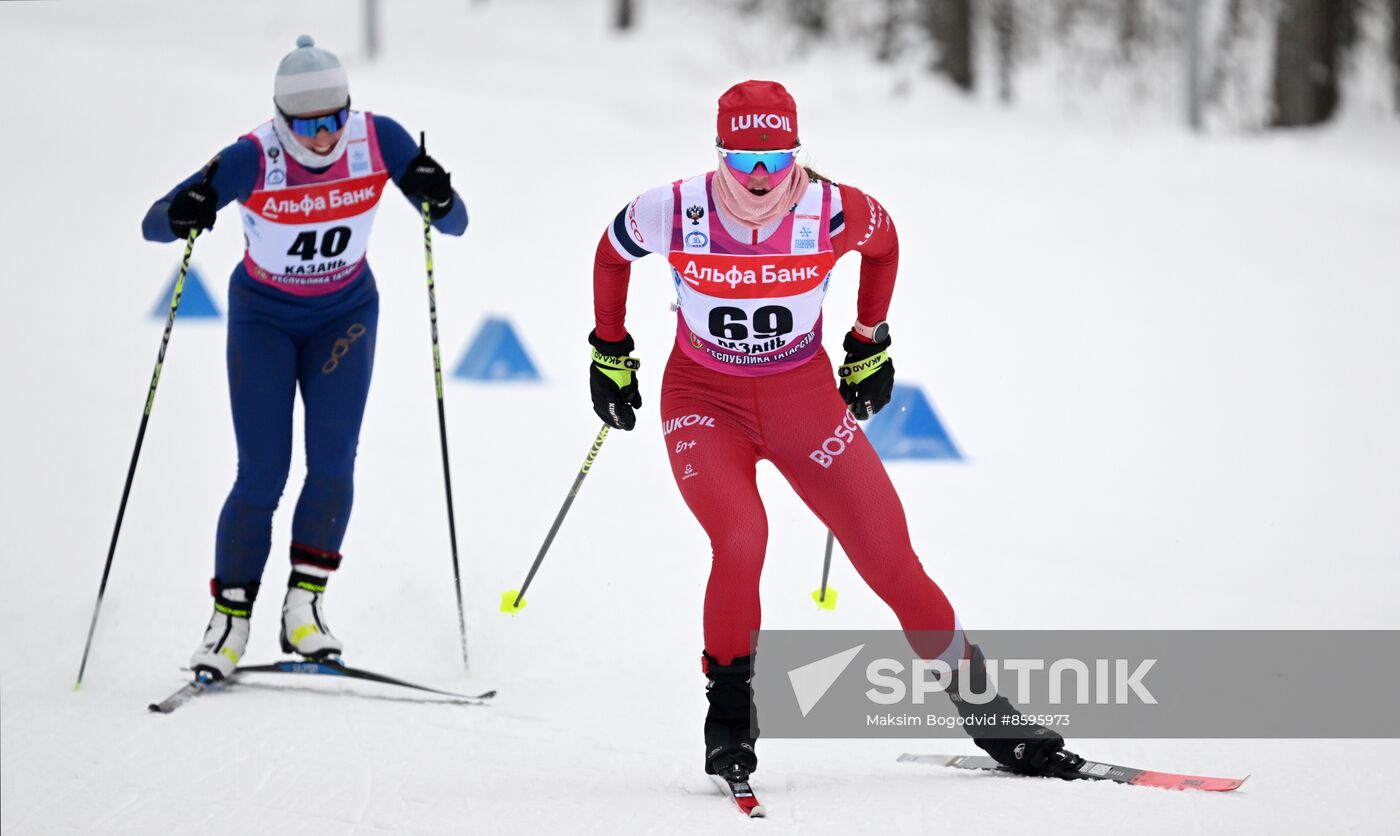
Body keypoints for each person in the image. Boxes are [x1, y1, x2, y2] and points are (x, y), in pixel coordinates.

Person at [588, 80, 1077, 781]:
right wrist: (609, 349)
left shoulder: (835, 210)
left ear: (797, 151)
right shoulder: (672, 208)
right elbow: (610, 253)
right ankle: (728, 716)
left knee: (889, 556)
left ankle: (991, 717)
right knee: (741, 537)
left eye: (777, 159)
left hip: (803, 401)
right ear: (718, 152)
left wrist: (869, 337)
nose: (760, 178)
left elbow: (885, 246)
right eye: (743, 160)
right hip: (705, 401)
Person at [141, 35, 467, 681]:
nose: (323, 137)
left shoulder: (378, 140)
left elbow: (454, 223)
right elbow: (154, 224)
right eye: (307, 125)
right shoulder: (251, 157)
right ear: (281, 119)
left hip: (344, 317)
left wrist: (438, 192)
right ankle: (229, 619)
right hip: (264, 318)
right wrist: (188, 209)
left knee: (334, 460)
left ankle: (304, 609)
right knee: (263, 471)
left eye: (334, 119)